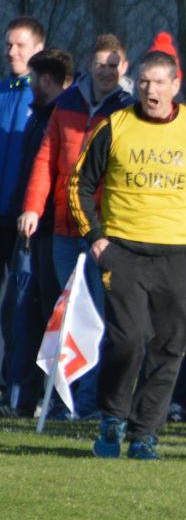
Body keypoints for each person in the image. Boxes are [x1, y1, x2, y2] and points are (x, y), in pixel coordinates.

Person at [67, 47, 186, 459]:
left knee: (170, 346)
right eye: (143, 82)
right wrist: (97, 239)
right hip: (124, 253)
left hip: (180, 257)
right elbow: (78, 185)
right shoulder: (115, 125)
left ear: (176, 84)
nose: (150, 90)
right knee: (130, 338)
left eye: (159, 82)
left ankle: (143, 434)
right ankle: (112, 418)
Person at [19, 34, 134, 418]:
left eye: (113, 64)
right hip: (64, 234)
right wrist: (34, 208)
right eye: (100, 63)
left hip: (104, 234)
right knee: (64, 317)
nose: (106, 71)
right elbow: (45, 160)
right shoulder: (66, 104)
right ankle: (61, 401)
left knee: (97, 317)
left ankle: (89, 404)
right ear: (90, 63)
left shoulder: (129, 111)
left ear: (125, 68)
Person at [4, 48, 74, 416]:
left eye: (33, 79)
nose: (30, 86)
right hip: (33, 231)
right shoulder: (39, 118)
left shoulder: (59, 118)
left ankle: (55, 400)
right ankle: (23, 399)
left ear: (46, 80)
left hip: (50, 233)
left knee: (47, 315)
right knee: (23, 314)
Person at [0, 16, 45, 402]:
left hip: (25, 220)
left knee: (20, 304)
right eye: (8, 45)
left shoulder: (43, 100)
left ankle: (19, 388)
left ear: (38, 50)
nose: (11, 52)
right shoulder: (2, 93)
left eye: (20, 45)